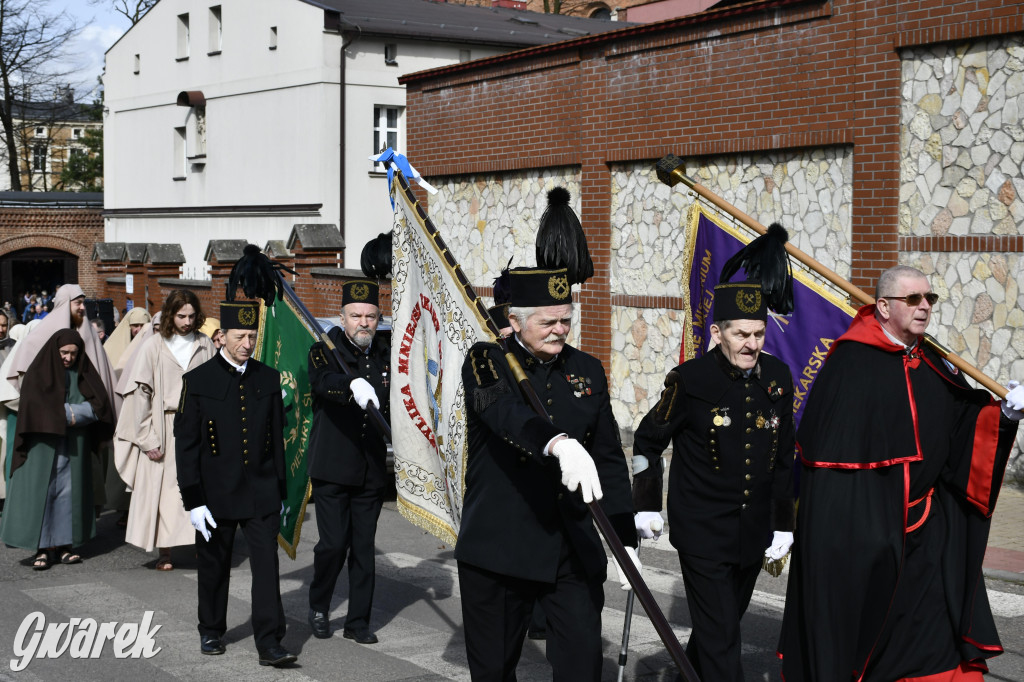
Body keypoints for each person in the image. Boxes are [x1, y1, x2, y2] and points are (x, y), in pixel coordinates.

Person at [778, 265, 1024, 681]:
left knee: (934, 640)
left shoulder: (930, 358)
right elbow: (828, 470)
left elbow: (960, 427)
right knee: (865, 642)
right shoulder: (850, 363)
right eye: (914, 299)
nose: (925, 306)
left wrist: (1001, 414)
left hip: (927, 532)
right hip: (865, 539)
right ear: (885, 306)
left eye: (930, 299)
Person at [456, 266, 638, 681]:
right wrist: (557, 442)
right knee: (494, 670)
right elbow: (503, 413)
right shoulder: (488, 360)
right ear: (515, 321)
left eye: (566, 320)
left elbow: (607, 457)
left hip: (570, 547)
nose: (559, 330)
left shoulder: (587, 370)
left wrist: (625, 540)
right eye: (548, 322)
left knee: (582, 664)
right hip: (501, 546)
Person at [630, 280, 796, 682]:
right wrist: (647, 503)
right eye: (741, 334)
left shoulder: (777, 376)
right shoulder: (689, 381)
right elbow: (647, 440)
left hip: (753, 530)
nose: (751, 344)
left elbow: (784, 456)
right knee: (722, 638)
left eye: (758, 333)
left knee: (717, 629)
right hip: (702, 529)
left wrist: (784, 524)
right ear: (718, 333)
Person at [174, 300, 295, 667]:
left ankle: (270, 642)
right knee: (214, 565)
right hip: (215, 493)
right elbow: (187, 445)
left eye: (252, 336)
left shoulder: (268, 378)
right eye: (240, 336)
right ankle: (211, 629)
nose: (247, 343)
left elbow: (276, 438)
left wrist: (281, 492)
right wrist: (193, 499)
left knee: (267, 568)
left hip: (260, 493)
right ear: (221, 336)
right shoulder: (197, 381)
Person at [306, 279, 391, 643]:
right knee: (333, 544)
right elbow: (322, 382)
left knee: (363, 550)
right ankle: (319, 604)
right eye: (356, 316)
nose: (363, 323)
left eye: (370, 316)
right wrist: (348, 385)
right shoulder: (324, 350)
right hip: (333, 466)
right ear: (342, 319)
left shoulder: (385, 354)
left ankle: (358, 623)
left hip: (370, 469)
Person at [115, 292, 215, 569]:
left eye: (192, 316)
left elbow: (216, 386)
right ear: (170, 315)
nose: (187, 321)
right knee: (163, 491)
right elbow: (140, 394)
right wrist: (147, 438)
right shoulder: (154, 346)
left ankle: (200, 544)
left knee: (198, 483)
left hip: (197, 424)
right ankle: (165, 552)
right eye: (181, 316)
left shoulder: (204, 343)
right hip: (165, 423)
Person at [0, 329, 115, 568]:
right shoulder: (39, 373)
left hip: (74, 446)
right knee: (43, 495)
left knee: (67, 496)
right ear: (55, 350)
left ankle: (65, 546)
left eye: (73, 353)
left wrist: (71, 414)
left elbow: (99, 406)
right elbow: (32, 406)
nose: (68, 358)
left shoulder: (84, 372)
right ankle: (42, 548)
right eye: (64, 352)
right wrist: (65, 413)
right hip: (41, 446)